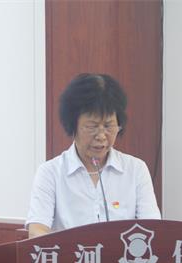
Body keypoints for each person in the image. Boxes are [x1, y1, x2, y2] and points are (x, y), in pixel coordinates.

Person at [26, 73, 161, 238]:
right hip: (72, 254)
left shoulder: (136, 170)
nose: (101, 136)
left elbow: (153, 229)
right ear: (73, 126)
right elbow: (37, 231)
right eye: (92, 127)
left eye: (109, 126)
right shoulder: (50, 173)